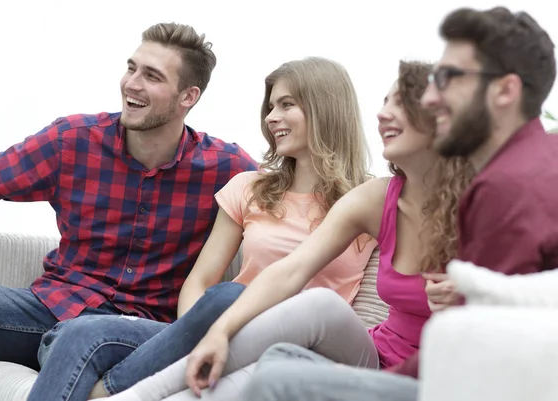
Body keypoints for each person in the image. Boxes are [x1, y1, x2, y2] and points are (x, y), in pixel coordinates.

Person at [97, 60, 474, 401]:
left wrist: (480, 293)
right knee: (295, 315)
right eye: (384, 101)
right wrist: (220, 332)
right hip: (370, 357)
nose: (381, 114)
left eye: (400, 104)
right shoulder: (377, 198)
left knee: (268, 356)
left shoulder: (489, 208)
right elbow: (292, 270)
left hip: (431, 380)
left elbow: (527, 302)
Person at [235, 6, 558, 401]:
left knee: (277, 379)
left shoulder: (504, 186)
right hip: (406, 360)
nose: (437, 97)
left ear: (505, 91)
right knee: (281, 356)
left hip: (458, 381)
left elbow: (476, 345)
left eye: (451, 79)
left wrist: (463, 305)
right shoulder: (522, 167)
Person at [28, 56, 376, 401]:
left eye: (286, 105)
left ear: (324, 109)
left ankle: (113, 390)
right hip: (219, 328)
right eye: (270, 107)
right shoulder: (249, 188)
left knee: (227, 297)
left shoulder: (370, 201)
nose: (271, 118)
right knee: (80, 333)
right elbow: (201, 282)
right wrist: (192, 332)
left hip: (292, 344)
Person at [0, 20, 259, 401]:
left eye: (151, 76)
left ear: (188, 96)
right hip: (49, 309)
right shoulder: (73, 141)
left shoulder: (227, 168)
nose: (132, 83)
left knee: (77, 337)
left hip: (139, 333)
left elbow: (288, 206)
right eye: (131, 68)